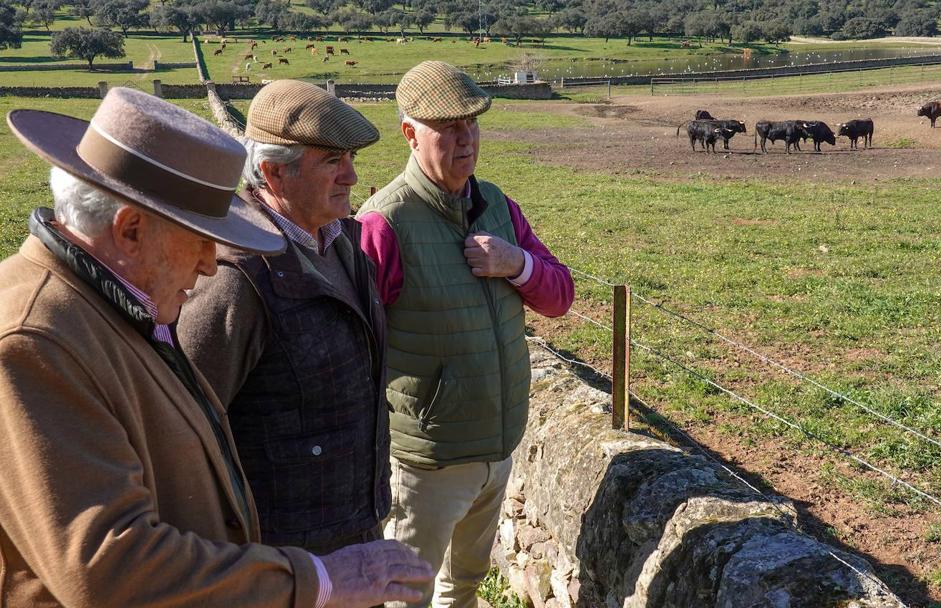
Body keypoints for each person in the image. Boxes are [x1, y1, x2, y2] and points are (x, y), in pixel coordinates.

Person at [0, 87, 431, 607]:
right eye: (199, 237)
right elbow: (108, 568)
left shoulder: (113, 308)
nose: (210, 263)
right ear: (130, 230)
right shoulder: (33, 342)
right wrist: (313, 579)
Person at [357, 61, 575, 608]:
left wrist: (516, 263)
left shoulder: (498, 206)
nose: (465, 139)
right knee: (404, 595)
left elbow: (560, 297)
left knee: (466, 587)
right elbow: (355, 346)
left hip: (499, 445)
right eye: (448, 128)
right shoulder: (384, 222)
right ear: (410, 134)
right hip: (428, 463)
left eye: (472, 124)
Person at [178, 79, 390, 555]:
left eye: (350, 158)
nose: (352, 177)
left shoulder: (342, 243)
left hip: (354, 529)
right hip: (280, 558)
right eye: (333, 161)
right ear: (273, 174)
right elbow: (186, 427)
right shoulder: (236, 277)